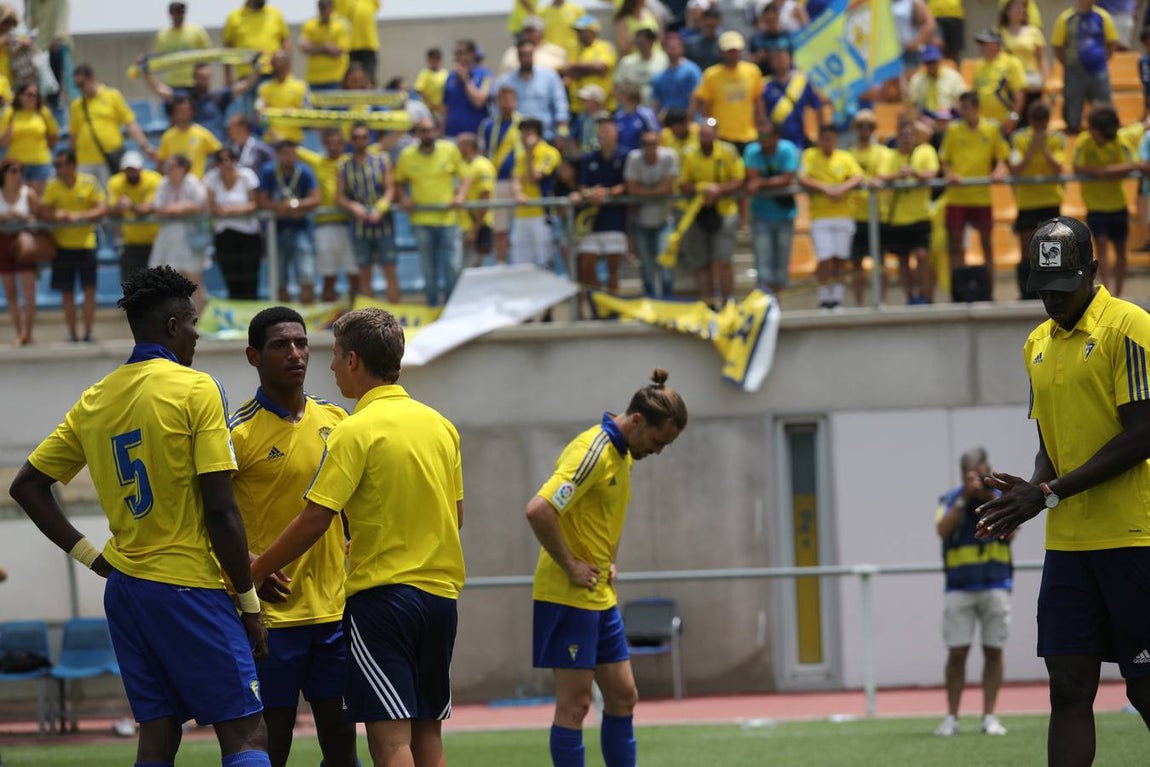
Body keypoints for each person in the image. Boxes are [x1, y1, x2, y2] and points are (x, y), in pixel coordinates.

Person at [7, 265, 272, 767]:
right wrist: (249, 603)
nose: (197, 333)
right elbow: (220, 509)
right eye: (192, 322)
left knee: (158, 734)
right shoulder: (195, 389)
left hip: (126, 591)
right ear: (173, 326)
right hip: (186, 584)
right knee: (245, 731)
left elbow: (27, 487)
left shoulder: (96, 399)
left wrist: (94, 558)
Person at [251, 306, 465, 767]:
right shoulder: (441, 426)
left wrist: (253, 570)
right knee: (429, 735)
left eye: (334, 355)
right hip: (441, 600)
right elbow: (455, 516)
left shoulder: (352, 431)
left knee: (390, 745)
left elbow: (315, 519)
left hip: (384, 602)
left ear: (352, 361)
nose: (326, 365)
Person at [975, 215, 1150, 767]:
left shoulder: (1131, 326)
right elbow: (1052, 442)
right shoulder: (1035, 344)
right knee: (1068, 689)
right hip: (1070, 547)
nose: (1053, 302)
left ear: (1094, 272)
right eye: (1043, 291)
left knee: (1144, 689)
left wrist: (1047, 493)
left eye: (1064, 289)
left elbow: (1142, 436)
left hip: (1135, 538)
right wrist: (1029, 493)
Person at [526, 369, 687, 767]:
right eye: (657, 440)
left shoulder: (623, 454)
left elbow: (594, 517)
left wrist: (604, 562)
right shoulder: (594, 452)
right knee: (576, 706)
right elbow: (539, 509)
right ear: (637, 421)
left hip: (599, 597)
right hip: (568, 597)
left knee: (623, 696)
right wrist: (571, 566)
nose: (658, 450)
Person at [230, 307, 357, 767]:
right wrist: (245, 565)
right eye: (281, 345)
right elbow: (206, 515)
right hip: (271, 621)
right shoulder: (236, 433)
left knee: (343, 747)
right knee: (272, 747)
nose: (295, 353)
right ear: (253, 356)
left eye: (301, 343)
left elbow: (353, 509)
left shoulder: (338, 421)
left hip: (333, 615)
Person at [933, 446, 1013, 738]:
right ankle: (951, 717)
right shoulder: (951, 498)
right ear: (964, 474)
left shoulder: (1000, 497)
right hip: (959, 588)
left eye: (983, 472)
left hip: (996, 584)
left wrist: (989, 498)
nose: (980, 478)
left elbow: (1011, 532)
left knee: (994, 650)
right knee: (956, 652)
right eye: (975, 474)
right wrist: (966, 497)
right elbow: (942, 529)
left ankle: (989, 716)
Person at [393, 117, 471, 307]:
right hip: (422, 220)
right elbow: (398, 181)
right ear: (417, 133)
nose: (427, 134)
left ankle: (452, 307)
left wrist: (460, 195)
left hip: (448, 219)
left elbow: (466, 175)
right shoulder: (407, 155)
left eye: (430, 129)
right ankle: (433, 306)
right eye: (423, 130)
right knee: (429, 269)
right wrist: (404, 198)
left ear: (436, 130)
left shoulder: (449, 149)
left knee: (453, 266)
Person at [938, 91, 1009, 299]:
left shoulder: (992, 129)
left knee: (987, 243)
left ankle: (990, 290)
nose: (963, 111)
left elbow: (1002, 158)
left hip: (981, 196)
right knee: (955, 245)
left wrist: (998, 171)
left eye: (966, 107)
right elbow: (945, 160)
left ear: (976, 108)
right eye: (961, 107)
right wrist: (950, 174)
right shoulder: (952, 130)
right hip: (957, 197)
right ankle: (957, 291)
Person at [39, 149, 105, 342]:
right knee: (66, 291)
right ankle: (72, 333)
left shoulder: (89, 182)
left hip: (86, 243)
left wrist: (78, 216)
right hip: (62, 245)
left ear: (72, 165)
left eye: (60, 165)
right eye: (56, 165)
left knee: (89, 289)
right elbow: (44, 211)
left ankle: (89, 332)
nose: (57, 169)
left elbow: (101, 208)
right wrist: (58, 215)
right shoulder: (52, 185)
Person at [1072, 104, 1138, 297]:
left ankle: (1119, 293)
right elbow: (1077, 167)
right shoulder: (1084, 141)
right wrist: (1100, 172)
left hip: (1117, 204)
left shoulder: (1119, 140)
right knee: (1100, 245)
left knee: (1120, 249)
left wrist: (1107, 171)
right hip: (1096, 206)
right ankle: (1107, 291)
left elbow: (1131, 164)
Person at [798, 124, 864, 311]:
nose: (827, 143)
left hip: (843, 215)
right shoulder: (809, 155)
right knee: (825, 258)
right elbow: (802, 177)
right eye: (824, 138)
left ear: (836, 140)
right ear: (819, 139)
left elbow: (858, 176)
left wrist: (842, 189)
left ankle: (837, 298)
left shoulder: (845, 157)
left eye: (831, 139)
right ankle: (824, 297)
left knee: (840, 258)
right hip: (820, 216)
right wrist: (826, 189)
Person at [679, 118, 745, 304]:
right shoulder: (689, 153)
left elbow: (739, 180)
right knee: (701, 263)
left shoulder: (728, 152)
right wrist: (703, 188)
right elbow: (683, 185)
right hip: (696, 213)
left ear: (716, 134)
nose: (704, 138)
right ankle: (707, 305)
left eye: (708, 134)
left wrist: (718, 190)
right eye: (701, 134)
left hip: (725, 212)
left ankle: (728, 303)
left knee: (723, 259)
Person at [877, 119, 941, 304]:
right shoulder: (889, 156)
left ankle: (924, 294)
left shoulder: (925, 151)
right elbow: (881, 175)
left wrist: (913, 173)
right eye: (902, 135)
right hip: (897, 218)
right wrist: (898, 175)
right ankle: (910, 297)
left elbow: (932, 172)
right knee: (903, 260)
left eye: (909, 135)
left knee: (922, 256)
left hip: (920, 215)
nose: (906, 139)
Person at [1008, 100, 1064, 300]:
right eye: (1037, 121)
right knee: (1026, 248)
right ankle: (1026, 290)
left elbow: (1058, 167)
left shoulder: (1057, 138)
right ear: (1031, 120)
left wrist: (1044, 147)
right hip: (1027, 202)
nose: (1040, 126)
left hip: (1050, 199)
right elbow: (1016, 168)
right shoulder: (1019, 138)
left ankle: (1054, 290)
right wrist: (1034, 146)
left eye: (1044, 121)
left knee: (1052, 248)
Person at [337, 122, 398, 303]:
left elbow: (390, 189)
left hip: (383, 222)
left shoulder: (381, 160)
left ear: (369, 138)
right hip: (359, 224)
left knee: (389, 269)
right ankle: (370, 319)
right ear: (351, 140)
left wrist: (380, 208)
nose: (360, 141)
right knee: (364, 272)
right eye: (356, 137)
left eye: (364, 137)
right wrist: (354, 207)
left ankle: (396, 313)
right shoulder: (344, 165)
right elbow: (339, 196)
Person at [571, 115, 628, 299]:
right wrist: (590, 193)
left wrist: (608, 193)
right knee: (587, 264)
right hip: (591, 222)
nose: (603, 134)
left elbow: (628, 184)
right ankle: (598, 302)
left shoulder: (625, 156)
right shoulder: (589, 158)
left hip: (614, 219)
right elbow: (582, 186)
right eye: (601, 130)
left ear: (615, 132)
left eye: (607, 129)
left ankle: (612, 306)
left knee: (613, 267)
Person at [257, 139, 321, 304]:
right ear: (277, 155)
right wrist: (282, 207)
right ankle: (283, 319)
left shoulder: (305, 171)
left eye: (293, 153)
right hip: (276, 232)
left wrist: (296, 204)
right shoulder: (269, 171)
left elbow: (316, 199)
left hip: (301, 230)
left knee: (306, 276)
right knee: (279, 279)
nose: (290, 157)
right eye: (285, 154)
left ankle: (308, 317)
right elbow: (261, 201)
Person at [70, 64, 155, 187]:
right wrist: (72, 158)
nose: (81, 89)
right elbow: (74, 134)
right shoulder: (76, 105)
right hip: (85, 160)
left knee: (111, 193)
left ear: (92, 78)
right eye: (78, 86)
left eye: (83, 84)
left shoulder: (112, 96)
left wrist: (144, 145)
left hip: (109, 157)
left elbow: (130, 123)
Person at [744, 120, 800, 295]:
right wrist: (767, 182)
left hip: (785, 215)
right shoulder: (752, 151)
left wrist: (762, 182)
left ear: (777, 136)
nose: (762, 140)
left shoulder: (788, 149)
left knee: (781, 265)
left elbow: (787, 179)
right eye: (759, 136)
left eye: (766, 136)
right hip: (761, 215)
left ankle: (777, 304)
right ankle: (764, 304)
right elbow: (752, 178)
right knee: (763, 264)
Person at [846, 110, 894, 306]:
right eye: (860, 126)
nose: (864, 131)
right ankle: (859, 303)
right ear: (855, 129)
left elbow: (882, 175)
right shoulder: (848, 154)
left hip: (878, 214)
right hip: (855, 214)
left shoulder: (883, 153)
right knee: (857, 264)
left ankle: (881, 301)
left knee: (880, 262)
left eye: (868, 126)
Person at [150, 154, 209, 311]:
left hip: (190, 239)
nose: (167, 170)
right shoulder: (163, 183)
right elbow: (158, 208)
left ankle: (199, 322)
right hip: (168, 239)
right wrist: (183, 207)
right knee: (171, 282)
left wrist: (175, 208)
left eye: (171, 166)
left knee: (194, 281)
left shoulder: (193, 182)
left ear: (182, 168)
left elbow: (199, 205)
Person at [204, 146, 264, 300]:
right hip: (224, 234)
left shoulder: (247, 175)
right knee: (231, 277)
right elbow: (211, 205)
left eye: (229, 159)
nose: (225, 163)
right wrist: (228, 211)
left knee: (250, 277)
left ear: (235, 160)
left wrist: (231, 210)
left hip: (249, 234)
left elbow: (255, 203)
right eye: (220, 160)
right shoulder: (211, 177)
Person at [691, 31, 765, 154]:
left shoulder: (752, 71)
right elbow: (705, 108)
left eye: (735, 50)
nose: (733, 54)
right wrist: (710, 129)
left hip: (748, 134)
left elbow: (758, 101)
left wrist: (761, 125)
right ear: (721, 51)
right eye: (729, 50)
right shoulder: (711, 74)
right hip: (721, 135)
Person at [1052, 0, 1119, 134]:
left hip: (1098, 71)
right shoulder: (1066, 18)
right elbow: (1057, 45)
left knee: (1104, 106)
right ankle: (1073, 132)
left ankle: (1106, 133)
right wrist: (1068, 63)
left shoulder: (1102, 16)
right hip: (1074, 72)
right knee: (1073, 107)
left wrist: (1102, 60)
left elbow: (1111, 42)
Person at [624, 129, 677, 297]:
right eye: (646, 144)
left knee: (665, 263)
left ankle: (668, 300)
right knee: (646, 265)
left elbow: (668, 188)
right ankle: (651, 299)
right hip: (641, 221)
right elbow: (632, 188)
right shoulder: (633, 158)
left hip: (665, 219)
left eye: (653, 143)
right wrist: (656, 190)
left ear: (659, 144)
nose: (650, 148)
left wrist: (643, 191)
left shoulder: (669, 156)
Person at [0, 157, 43, 346]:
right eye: (13, 171)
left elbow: (39, 217)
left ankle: (28, 332)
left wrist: (24, 217)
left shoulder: (28, 193)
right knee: (10, 292)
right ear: (4, 173)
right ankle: (19, 332)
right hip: (3, 241)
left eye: (20, 171)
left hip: (23, 240)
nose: (17, 175)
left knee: (29, 291)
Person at [478, 84, 522, 264]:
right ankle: (501, 263)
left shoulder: (524, 123)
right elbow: (483, 152)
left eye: (509, 99)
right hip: (498, 181)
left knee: (520, 227)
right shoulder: (488, 125)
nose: (506, 103)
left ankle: (520, 264)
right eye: (502, 99)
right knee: (500, 228)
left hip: (519, 182)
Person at [511, 117, 562, 269]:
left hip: (542, 214)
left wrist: (530, 153)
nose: (523, 136)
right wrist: (518, 193)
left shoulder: (549, 153)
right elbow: (515, 179)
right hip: (521, 215)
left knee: (544, 262)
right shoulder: (520, 157)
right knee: (520, 264)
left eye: (527, 131)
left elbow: (534, 178)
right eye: (522, 132)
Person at [498, 40, 570, 146]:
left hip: (546, 136)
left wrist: (562, 133)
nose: (526, 58)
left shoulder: (549, 76)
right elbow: (497, 108)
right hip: (516, 139)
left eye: (529, 54)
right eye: (522, 55)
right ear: (518, 56)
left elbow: (561, 104)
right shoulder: (507, 80)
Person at [107, 150, 163, 282]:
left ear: (141, 168)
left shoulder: (154, 179)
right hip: (130, 241)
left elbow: (149, 208)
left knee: (158, 286)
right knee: (130, 285)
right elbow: (109, 209)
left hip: (155, 241)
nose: (131, 172)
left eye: (134, 169)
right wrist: (118, 207)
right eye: (128, 169)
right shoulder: (115, 182)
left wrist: (130, 206)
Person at [760, 44, 825, 150]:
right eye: (776, 59)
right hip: (774, 142)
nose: (780, 61)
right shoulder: (764, 85)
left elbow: (818, 106)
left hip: (799, 139)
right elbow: (761, 117)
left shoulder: (801, 80)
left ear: (790, 60)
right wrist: (764, 140)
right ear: (771, 63)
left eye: (783, 58)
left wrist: (820, 133)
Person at [0, 81, 57, 193]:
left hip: (41, 162)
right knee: (18, 198)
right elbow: (1, 142)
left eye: (36, 95)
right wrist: (8, 134)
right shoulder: (10, 113)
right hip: (17, 164)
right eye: (29, 94)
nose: (33, 98)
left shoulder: (42, 112)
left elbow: (54, 135)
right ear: (20, 96)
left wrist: (45, 149)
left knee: (40, 198)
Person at [999, 0, 1047, 125]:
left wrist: (1044, 79)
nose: (1019, 10)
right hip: (1009, 81)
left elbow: (1041, 58)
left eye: (1022, 8)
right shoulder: (999, 32)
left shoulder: (1034, 32)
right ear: (1007, 11)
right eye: (1015, 7)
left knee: (1031, 117)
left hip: (1030, 80)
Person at [970, 28, 1026, 133]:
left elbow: (1019, 94)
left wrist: (1013, 117)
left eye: (985, 43)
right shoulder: (979, 65)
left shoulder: (1011, 63)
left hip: (1003, 123)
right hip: (983, 125)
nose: (982, 47)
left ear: (997, 44)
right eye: (981, 44)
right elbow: (974, 94)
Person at [222, 0, 290, 84]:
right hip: (246, 77)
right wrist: (228, 77)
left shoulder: (275, 14)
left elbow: (285, 43)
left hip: (273, 75)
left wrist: (286, 70)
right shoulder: (234, 17)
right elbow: (228, 50)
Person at [563, 15, 618, 117]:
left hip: (602, 107)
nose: (578, 34)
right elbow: (567, 70)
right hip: (577, 108)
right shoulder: (574, 49)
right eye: (577, 31)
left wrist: (576, 68)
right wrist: (590, 70)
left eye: (581, 31)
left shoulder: (604, 46)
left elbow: (602, 67)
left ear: (592, 31)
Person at [157, 95, 222, 180]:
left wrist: (211, 174)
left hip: (197, 184)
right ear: (175, 113)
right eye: (179, 110)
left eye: (186, 110)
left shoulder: (202, 134)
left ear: (192, 112)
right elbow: (161, 162)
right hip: (175, 185)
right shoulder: (167, 136)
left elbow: (220, 153)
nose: (182, 114)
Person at [152, 1, 212, 92]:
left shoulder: (197, 31)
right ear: (170, 13)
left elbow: (208, 55)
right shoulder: (163, 35)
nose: (179, 15)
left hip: (194, 83)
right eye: (176, 12)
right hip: (172, 83)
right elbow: (159, 58)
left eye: (181, 12)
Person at [26, 0, 73, 114]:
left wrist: (57, 37)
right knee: (44, 86)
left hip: (58, 43)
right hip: (42, 47)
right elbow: (31, 24)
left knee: (64, 84)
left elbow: (63, 17)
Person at [457, 132, 495, 267]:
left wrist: (475, 229)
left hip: (478, 224)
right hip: (464, 224)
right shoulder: (463, 164)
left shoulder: (482, 166)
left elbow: (486, 198)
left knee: (476, 268)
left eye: (459, 144)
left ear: (468, 146)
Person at [257, 51, 310, 145]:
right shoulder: (264, 88)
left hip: (294, 141)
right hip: (271, 140)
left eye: (280, 62)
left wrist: (292, 114)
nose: (277, 66)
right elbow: (259, 114)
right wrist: (273, 134)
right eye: (274, 63)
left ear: (288, 64)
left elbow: (307, 113)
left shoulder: (300, 87)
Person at [443, 39, 493, 138]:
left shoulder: (485, 75)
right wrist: (441, 132)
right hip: (452, 135)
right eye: (456, 54)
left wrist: (465, 79)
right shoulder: (450, 77)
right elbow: (445, 108)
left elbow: (479, 102)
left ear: (472, 55)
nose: (458, 58)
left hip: (475, 134)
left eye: (462, 53)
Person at [906, 45, 968, 124]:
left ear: (940, 60)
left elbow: (962, 99)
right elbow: (912, 105)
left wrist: (950, 113)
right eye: (928, 62)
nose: (931, 65)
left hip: (949, 118)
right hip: (925, 119)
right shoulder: (917, 80)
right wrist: (921, 118)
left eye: (934, 62)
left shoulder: (952, 76)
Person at [299, 0, 350, 91]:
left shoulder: (341, 24)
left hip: (336, 77)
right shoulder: (310, 24)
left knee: (335, 105)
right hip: (314, 78)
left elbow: (340, 51)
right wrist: (326, 47)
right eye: (322, 8)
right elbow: (304, 48)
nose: (324, 11)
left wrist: (315, 47)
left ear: (332, 8)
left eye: (327, 7)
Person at [650, 31, 702, 114]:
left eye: (676, 46)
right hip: (667, 122)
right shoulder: (659, 76)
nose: (673, 50)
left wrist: (688, 120)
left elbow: (695, 98)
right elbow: (656, 102)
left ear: (682, 48)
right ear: (664, 49)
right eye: (670, 47)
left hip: (687, 122)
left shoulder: (691, 71)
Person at [614, 28, 668, 106]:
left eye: (642, 42)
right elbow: (617, 85)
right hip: (633, 107)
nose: (639, 46)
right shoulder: (627, 61)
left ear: (651, 41)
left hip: (657, 104)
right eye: (637, 43)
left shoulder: (663, 58)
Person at [498, 17, 569, 76]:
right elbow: (503, 75)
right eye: (526, 31)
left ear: (541, 32)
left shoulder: (556, 51)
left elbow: (566, 74)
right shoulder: (512, 52)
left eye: (532, 31)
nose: (528, 34)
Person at [613, 81, 659, 154]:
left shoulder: (646, 114)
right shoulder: (618, 116)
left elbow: (655, 134)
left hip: (641, 156)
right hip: (621, 156)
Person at [345, 0, 381, 85]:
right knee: (353, 77)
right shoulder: (348, 2)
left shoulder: (370, 2)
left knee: (370, 77)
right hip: (353, 46)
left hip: (369, 45)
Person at [415, 47, 448, 121]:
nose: (434, 61)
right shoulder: (424, 73)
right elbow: (420, 90)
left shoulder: (445, 73)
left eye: (437, 59)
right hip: (426, 109)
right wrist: (431, 104)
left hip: (441, 109)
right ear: (428, 60)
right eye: (432, 59)